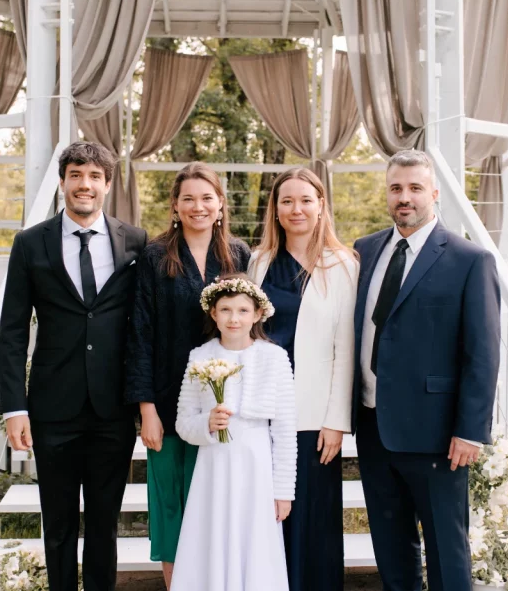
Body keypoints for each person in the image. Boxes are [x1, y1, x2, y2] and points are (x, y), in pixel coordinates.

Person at [0, 142, 148, 591]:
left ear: (108, 184)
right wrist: (14, 407)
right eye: (76, 174)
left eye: (95, 176)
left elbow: (144, 325)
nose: (85, 184)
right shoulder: (30, 243)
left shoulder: (135, 242)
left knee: (104, 525)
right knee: (58, 524)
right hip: (52, 407)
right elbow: (12, 330)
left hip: (112, 408)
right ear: (63, 182)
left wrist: (146, 401)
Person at [352, 149, 500, 591]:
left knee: (445, 548)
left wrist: (470, 430)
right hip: (373, 424)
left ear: (434, 193)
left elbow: (482, 352)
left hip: (436, 432)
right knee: (390, 545)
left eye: (415, 188)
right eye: (396, 188)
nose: (405, 197)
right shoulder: (365, 250)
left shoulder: (469, 259)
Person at [125, 162, 251, 588]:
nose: (198, 206)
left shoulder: (238, 255)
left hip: (224, 406)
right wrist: (146, 410)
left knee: (217, 507)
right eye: (188, 198)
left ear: (221, 204)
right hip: (167, 401)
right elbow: (139, 333)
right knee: (172, 507)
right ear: (175, 206)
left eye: (207, 198)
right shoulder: (155, 256)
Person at [248, 167, 358, 591]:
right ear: (275, 209)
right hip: (263, 411)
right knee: (267, 519)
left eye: (306, 200)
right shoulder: (257, 263)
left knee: (314, 522)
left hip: (314, 417)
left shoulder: (343, 265)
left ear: (320, 205)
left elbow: (345, 347)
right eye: (287, 201)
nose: (297, 209)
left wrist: (336, 420)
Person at [170, 275, 298, 591]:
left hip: (256, 467)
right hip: (213, 466)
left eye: (243, 310)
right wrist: (207, 424)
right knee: (212, 537)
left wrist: (283, 491)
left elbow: (284, 430)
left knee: (253, 541)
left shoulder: (274, 358)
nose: (234, 319)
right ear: (213, 313)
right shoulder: (200, 356)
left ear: (257, 314)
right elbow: (184, 422)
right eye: (225, 310)